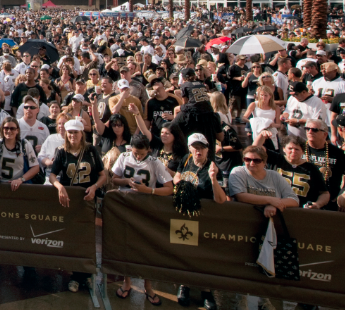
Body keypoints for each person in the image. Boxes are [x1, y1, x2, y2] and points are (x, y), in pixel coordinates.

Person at [111, 131, 173, 305]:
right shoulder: (124, 156)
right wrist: (126, 182)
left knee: (147, 248)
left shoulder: (154, 162)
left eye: (141, 153)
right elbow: (114, 179)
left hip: (146, 209)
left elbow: (169, 188)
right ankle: (127, 282)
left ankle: (148, 286)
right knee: (126, 245)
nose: (137, 156)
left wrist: (150, 191)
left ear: (149, 150)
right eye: (135, 153)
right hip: (126, 206)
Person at [48, 118, 106, 293]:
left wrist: (95, 187)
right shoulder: (62, 152)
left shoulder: (91, 151)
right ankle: (75, 275)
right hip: (69, 201)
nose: (73, 135)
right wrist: (59, 187)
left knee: (87, 238)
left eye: (76, 132)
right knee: (72, 238)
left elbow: (103, 175)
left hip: (87, 200)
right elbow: (52, 175)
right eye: (70, 132)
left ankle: (86, 274)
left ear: (82, 134)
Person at [173, 133, 226, 310]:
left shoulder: (212, 167)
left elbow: (221, 200)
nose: (198, 151)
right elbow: (176, 177)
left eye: (202, 147)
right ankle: (185, 285)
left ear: (207, 149)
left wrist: (213, 179)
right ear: (190, 148)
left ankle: (206, 290)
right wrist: (180, 183)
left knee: (203, 255)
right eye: (195, 147)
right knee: (184, 252)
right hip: (185, 216)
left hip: (204, 217)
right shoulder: (186, 159)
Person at [227, 145, 300, 217]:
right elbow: (240, 196)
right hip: (245, 218)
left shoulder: (274, 176)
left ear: (264, 162)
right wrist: (270, 200)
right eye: (248, 159)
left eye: (256, 160)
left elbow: (294, 200)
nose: (252, 163)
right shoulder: (238, 172)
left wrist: (274, 205)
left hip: (271, 221)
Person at [300, 118, 345, 206]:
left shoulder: (338, 153)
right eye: (307, 129)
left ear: (325, 134)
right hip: (303, 197)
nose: (310, 132)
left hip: (330, 200)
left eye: (314, 130)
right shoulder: (299, 149)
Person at [0, 116, 40, 188]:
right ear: (2, 129)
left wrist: (21, 179)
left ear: (17, 130)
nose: (9, 131)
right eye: (6, 128)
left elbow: (35, 167)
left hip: (19, 186)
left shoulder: (24, 144)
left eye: (12, 128)